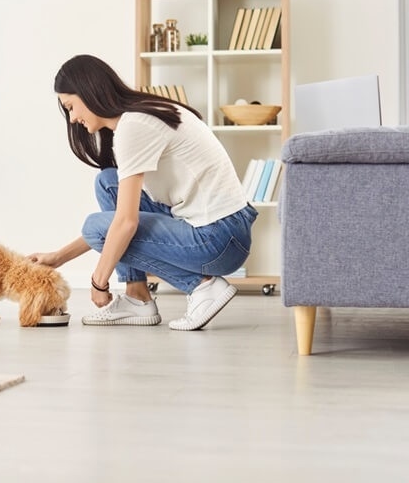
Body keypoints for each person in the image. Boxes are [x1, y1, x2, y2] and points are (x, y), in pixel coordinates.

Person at [29, 54, 257, 330]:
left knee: (96, 226)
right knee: (108, 182)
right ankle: (138, 297)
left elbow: (125, 223)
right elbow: (121, 219)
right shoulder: (142, 114)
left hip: (219, 239)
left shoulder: (133, 127)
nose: (73, 118)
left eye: (71, 107)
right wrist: (57, 258)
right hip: (226, 230)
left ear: (89, 92)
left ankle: (202, 287)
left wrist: (98, 281)